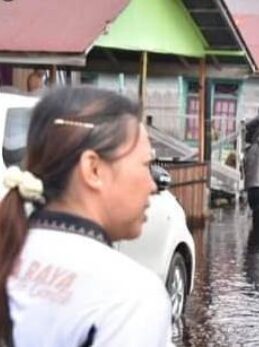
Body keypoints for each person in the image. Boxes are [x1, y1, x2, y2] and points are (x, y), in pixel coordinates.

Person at [0, 87, 173, 346]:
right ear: (93, 169)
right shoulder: (128, 295)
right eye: (146, 165)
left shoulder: (10, 250)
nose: (153, 184)